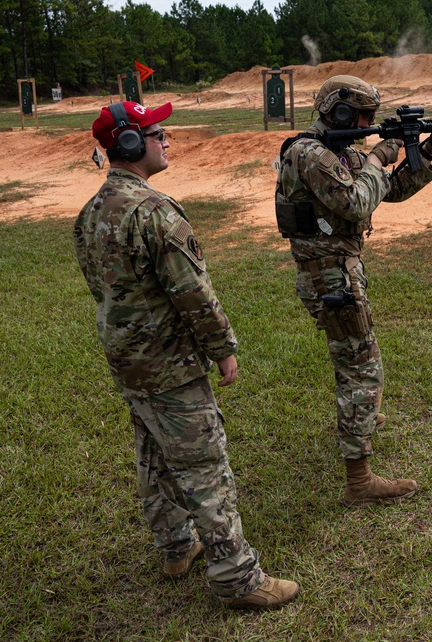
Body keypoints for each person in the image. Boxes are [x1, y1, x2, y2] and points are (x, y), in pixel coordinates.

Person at [73, 101, 299, 610]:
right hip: (171, 364)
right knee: (205, 467)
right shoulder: (153, 212)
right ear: (131, 144)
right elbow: (193, 294)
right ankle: (237, 577)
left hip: (128, 362)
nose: (168, 140)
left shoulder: (90, 213)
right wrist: (223, 350)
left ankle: (176, 547)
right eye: (158, 133)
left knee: (153, 455)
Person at [275, 75, 432, 507]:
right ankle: (359, 481)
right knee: (362, 366)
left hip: (337, 270)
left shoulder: (337, 153)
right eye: (363, 116)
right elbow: (356, 201)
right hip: (330, 275)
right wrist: (378, 155)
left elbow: (384, 193)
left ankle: (361, 413)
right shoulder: (310, 154)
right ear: (337, 113)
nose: (369, 123)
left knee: (354, 359)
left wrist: (424, 152)